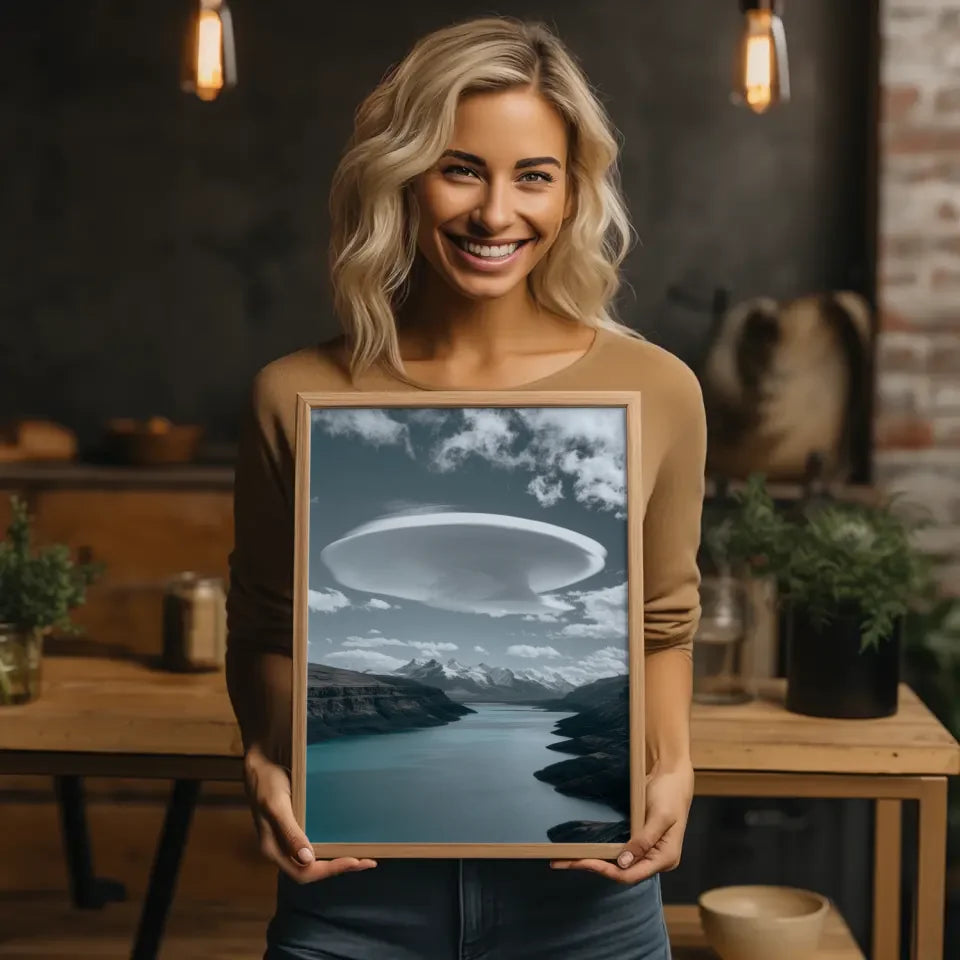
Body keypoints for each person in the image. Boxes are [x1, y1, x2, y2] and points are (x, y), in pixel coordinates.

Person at [225, 15, 705, 960]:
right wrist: (261, 754)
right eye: (460, 169)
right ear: (402, 178)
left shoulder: (659, 390)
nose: (496, 215)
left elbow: (662, 624)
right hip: (351, 905)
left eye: (534, 175)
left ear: (572, 195)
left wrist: (675, 766)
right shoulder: (295, 394)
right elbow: (266, 626)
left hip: (587, 911)